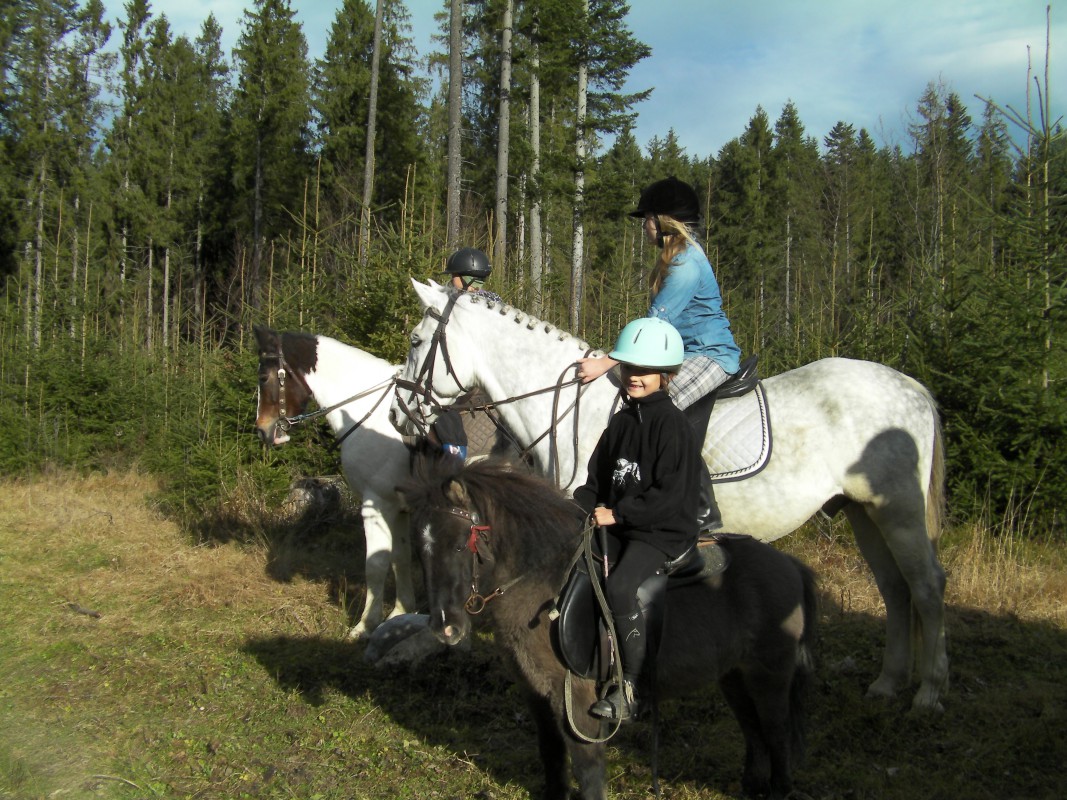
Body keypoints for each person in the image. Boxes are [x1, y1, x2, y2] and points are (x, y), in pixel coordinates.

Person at [576, 176, 741, 530]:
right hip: (682, 353)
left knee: (661, 410)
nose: (644, 227)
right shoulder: (675, 257)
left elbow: (655, 324)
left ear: (664, 222)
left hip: (710, 354)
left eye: (647, 219)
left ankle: (702, 509)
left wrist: (605, 362)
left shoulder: (685, 265)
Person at [572, 317, 703, 721]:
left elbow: (670, 496)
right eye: (629, 367)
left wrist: (618, 513)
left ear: (666, 375)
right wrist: (577, 509)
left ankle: (632, 687)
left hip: (661, 530)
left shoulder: (674, 426)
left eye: (644, 370)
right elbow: (596, 478)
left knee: (620, 586)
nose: (633, 376)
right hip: (620, 522)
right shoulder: (621, 421)